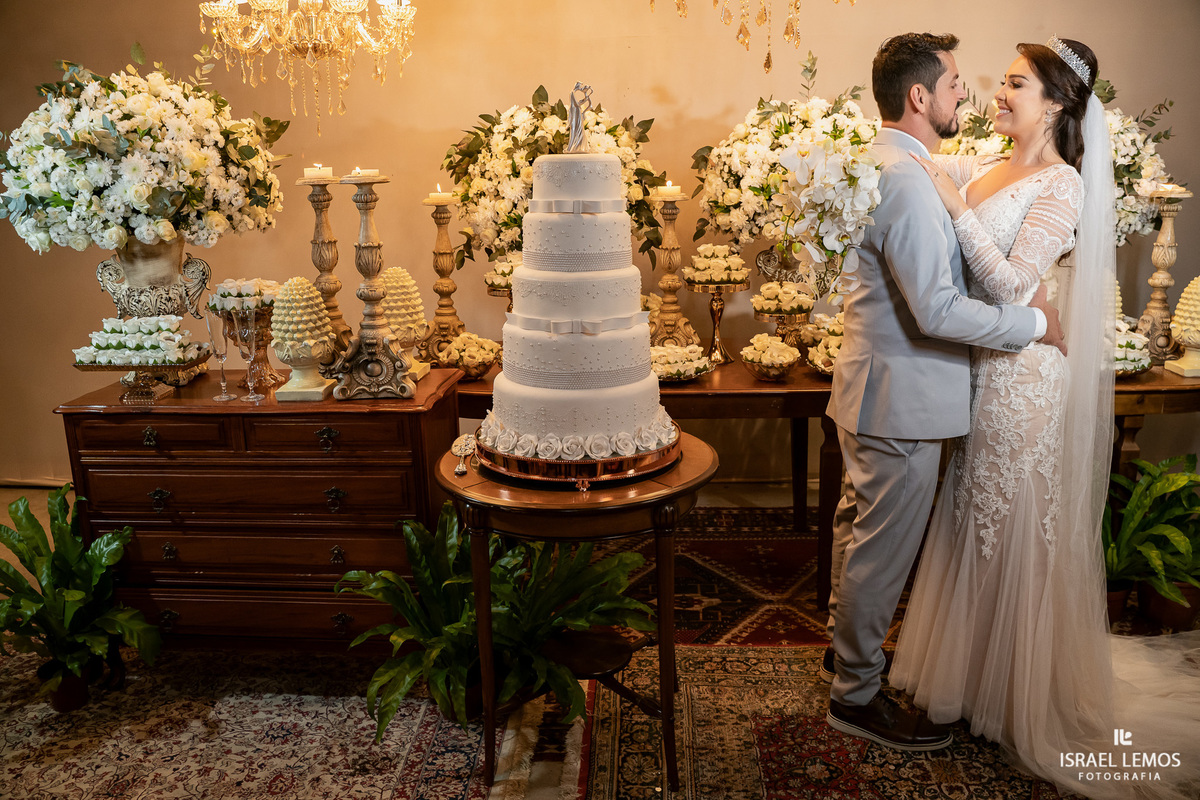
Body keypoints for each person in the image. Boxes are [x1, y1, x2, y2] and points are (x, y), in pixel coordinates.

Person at [890, 36, 1200, 798]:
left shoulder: (1061, 185)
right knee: (974, 512)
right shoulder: (988, 164)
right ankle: (969, 676)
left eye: (1015, 84)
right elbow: (921, 174)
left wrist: (958, 209)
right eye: (997, 81)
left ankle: (1016, 693)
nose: (997, 94)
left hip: (1025, 375)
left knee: (1015, 516)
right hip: (979, 369)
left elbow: (1012, 283)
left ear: (1057, 103)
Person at [782, 32, 1065, 752]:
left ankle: (846, 653)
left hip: (873, 387)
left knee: (857, 529)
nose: (965, 94)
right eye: (955, 84)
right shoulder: (907, 179)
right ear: (919, 97)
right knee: (882, 547)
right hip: (901, 395)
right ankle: (856, 693)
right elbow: (936, 310)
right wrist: (1031, 320)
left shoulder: (891, 162)